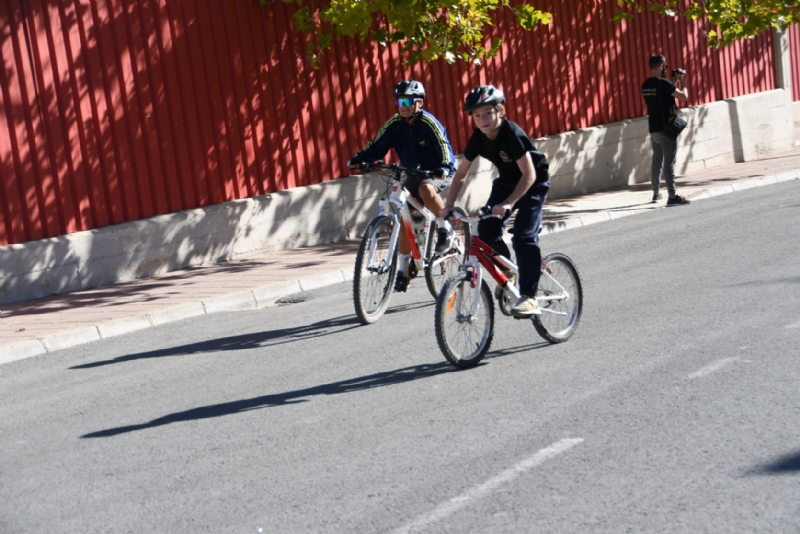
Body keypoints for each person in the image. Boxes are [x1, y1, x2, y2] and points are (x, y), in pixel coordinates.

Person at [440, 85, 550, 317]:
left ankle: (530, 297)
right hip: (507, 182)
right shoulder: (478, 138)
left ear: (500, 110)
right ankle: (507, 269)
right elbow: (461, 175)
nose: (482, 120)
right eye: (476, 115)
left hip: (533, 183)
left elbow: (529, 175)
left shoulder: (512, 133)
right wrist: (448, 206)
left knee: (523, 236)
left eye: (487, 113)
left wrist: (509, 203)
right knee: (487, 230)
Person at [348, 80, 456, 293]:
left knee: (426, 190)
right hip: (412, 172)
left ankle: (446, 228)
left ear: (420, 102)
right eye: (399, 101)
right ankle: (403, 269)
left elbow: (444, 146)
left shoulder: (428, 122)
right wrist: (361, 158)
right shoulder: (394, 123)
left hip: (437, 172)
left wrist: (444, 166)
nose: (403, 106)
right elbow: (377, 145)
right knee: (404, 213)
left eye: (408, 101)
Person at [641, 54, 691, 206]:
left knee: (657, 161)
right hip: (667, 129)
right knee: (669, 162)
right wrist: (682, 81)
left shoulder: (646, 85)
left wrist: (673, 81)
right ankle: (672, 196)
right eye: (666, 67)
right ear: (661, 66)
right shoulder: (664, 83)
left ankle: (656, 193)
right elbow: (683, 97)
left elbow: (662, 94)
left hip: (654, 129)